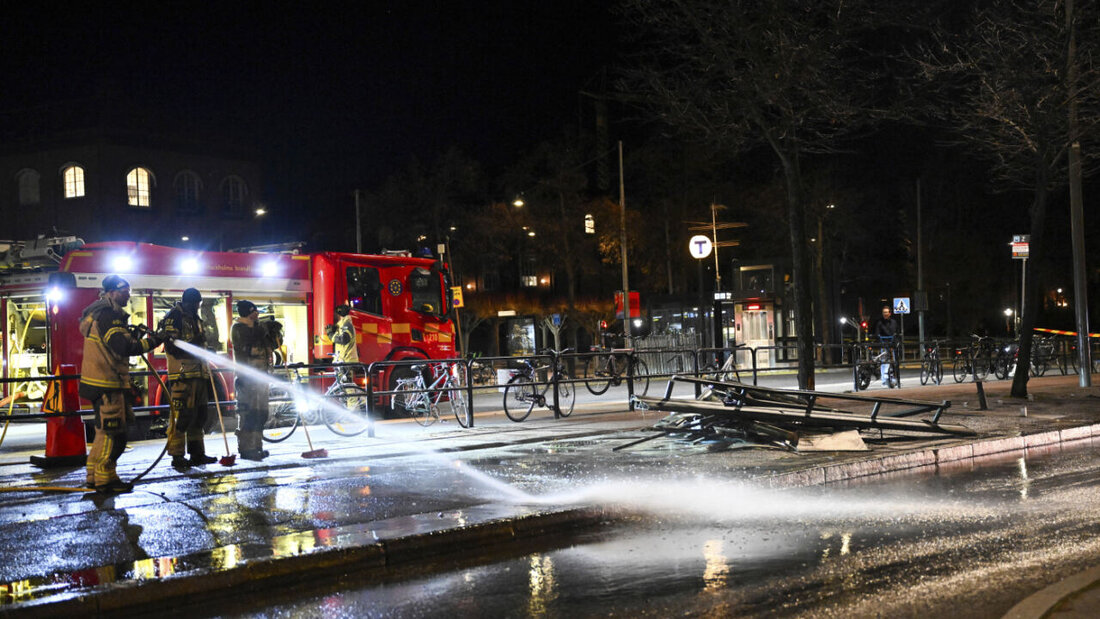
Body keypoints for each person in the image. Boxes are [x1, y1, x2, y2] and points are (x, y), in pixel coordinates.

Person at [79, 275, 164, 493]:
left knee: (103, 432)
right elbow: (122, 347)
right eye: (124, 290)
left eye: (129, 290)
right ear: (110, 293)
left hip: (101, 382)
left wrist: (133, 335)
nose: (128, 294)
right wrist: (155, 341)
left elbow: (114, 342)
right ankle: (106, 480)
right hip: (108, 383)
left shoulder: (98, 314)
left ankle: (94, 476)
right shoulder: (109, 315)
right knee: (114, 434)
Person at [160, 288, 217, 469]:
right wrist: (195, 344)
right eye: (197, 304)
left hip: (199, 373)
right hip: (182, 374)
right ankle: (177, 456)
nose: (198, 307)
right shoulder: (174, 317)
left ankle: (197, 454)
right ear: (189, 302)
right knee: (181, 417)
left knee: (199, 416)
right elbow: (172, 347)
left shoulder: (194, 317)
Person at [231, 300, 277, 460]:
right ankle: (245, 449)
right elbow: (249, 337)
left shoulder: (258, 328)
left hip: (261, 379)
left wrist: (275, 335)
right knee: (247, 414)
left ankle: (257, 446)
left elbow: (271, 345)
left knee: (261, 414)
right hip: (247, 380)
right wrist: (264, 328)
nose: (256, 313)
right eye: (253, 311)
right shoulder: (238, 329)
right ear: (246, 313)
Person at [325, 304, 358, 383]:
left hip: (347, 361)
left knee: (347, 386)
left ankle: (352, 396)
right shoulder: (342, 325)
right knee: (343, 385)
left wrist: (331, 335)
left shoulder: (347, 325)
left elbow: (344, 339)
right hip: (343, 360)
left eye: (335, 314)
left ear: (339, 315)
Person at [873, 305, 899, 387]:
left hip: (892, 344)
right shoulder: (879, 322)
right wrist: (879, 339)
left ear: (890, 313)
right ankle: (884, 380)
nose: (885, 314)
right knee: (884, 362)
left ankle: (895, 378)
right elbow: (877, 333)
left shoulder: (893, 322)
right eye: (884, 312)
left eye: (886, 312)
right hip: (884, 344)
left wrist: (896, 340)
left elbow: (896, 332)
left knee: (895, 361)